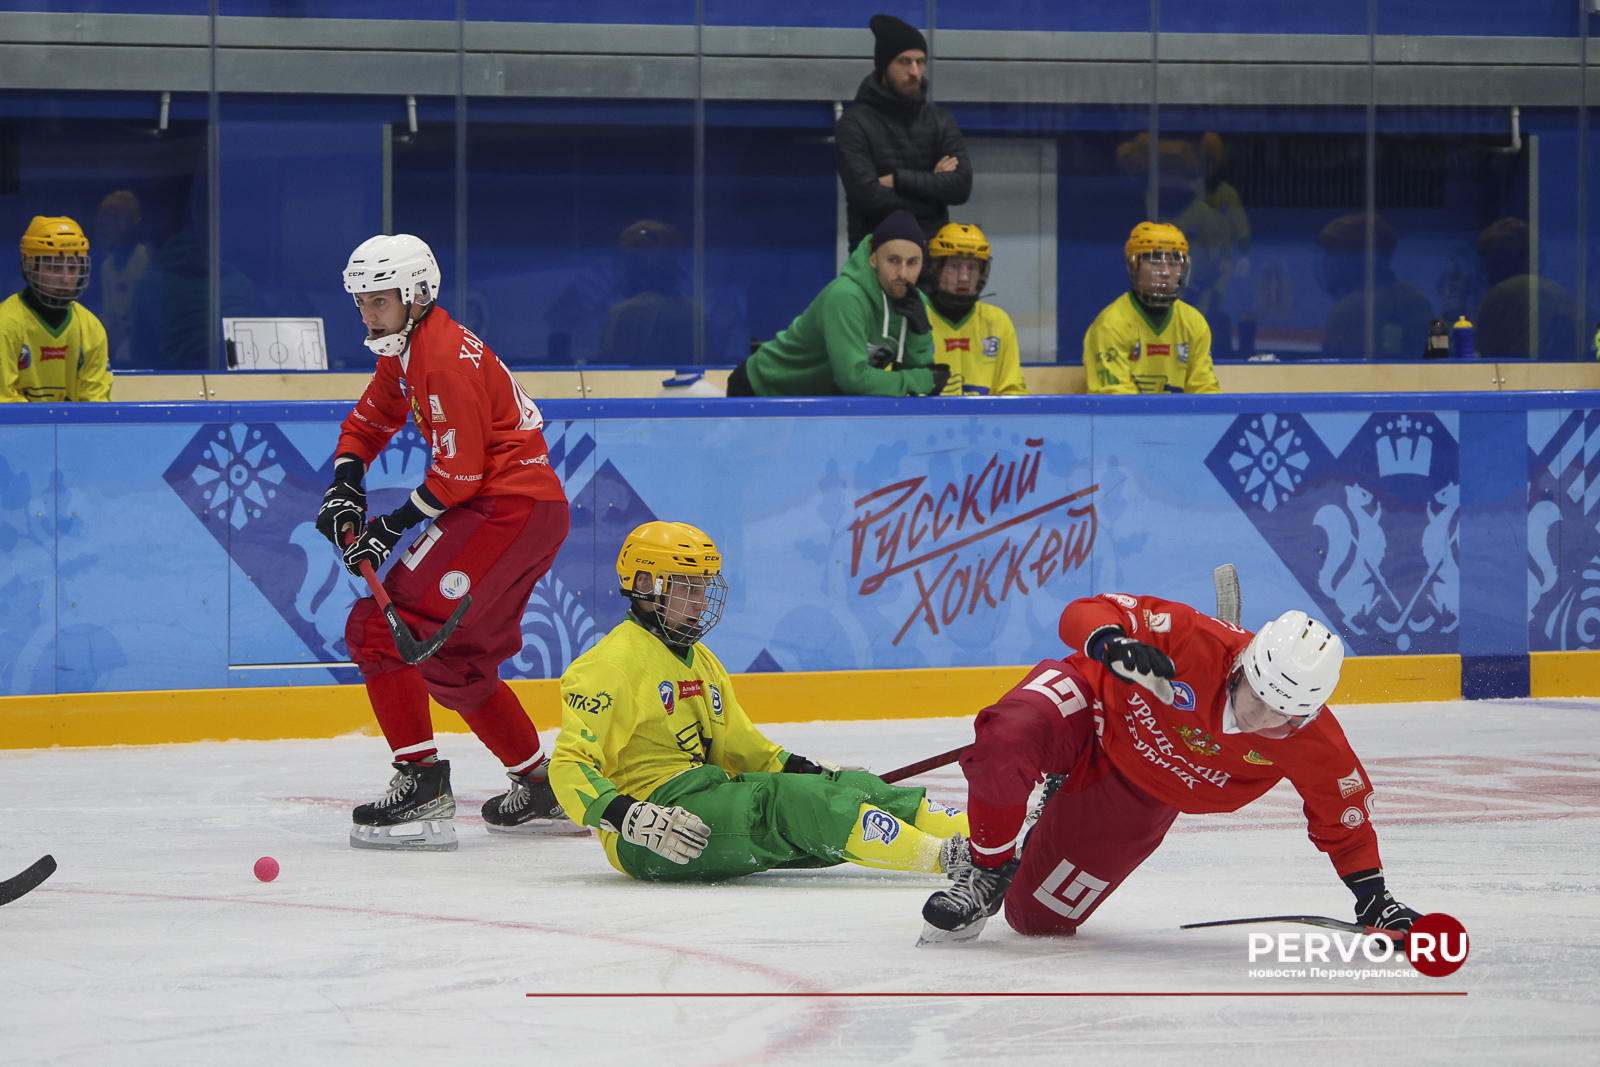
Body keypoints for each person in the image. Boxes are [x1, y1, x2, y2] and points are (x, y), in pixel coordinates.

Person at [919, 593, 1425, 944]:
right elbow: (1082, 612)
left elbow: (1345, 818)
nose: (1263, 721)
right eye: (1260, 700)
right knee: (1005, 740)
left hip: (1140, 789)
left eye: (1285, 718)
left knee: (1035, 919)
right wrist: (1110, 645)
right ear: (1242, 666)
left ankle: (1034, 836)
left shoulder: (1316, 744)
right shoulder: (1191, 639)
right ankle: (985, 870)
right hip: (1095, 702)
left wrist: (1374, 900)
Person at [314, 233, 573, 851]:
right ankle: (537, 785)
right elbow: (372, 417)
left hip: (502, 509)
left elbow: (458, 477)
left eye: (381, 300)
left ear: (417, 294)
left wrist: (388, 528)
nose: (369, 314)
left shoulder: (441, 359)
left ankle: (422, 780)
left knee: (380, 630)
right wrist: (347, 482)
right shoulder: (410, 348)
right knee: (456, 661)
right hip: (527, 511)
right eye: (361, 301)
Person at [549, 520, 972, 881]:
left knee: (849, 788)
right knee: (789, 804)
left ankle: (988, 838)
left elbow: (742, 748)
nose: (701, 603)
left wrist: (812, 771)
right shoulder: (611, 665)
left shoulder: (701, 662)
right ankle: (953, 860)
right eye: (688, 589)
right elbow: (570, 765)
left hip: (708, 794)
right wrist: (628, 816)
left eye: (704, 588)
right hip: (654, 828)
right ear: (645, 586)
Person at [728, 210, 948, 398]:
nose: (903, 273)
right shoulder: (846, 296)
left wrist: (920, 331)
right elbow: (852, 379)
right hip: (762, 388)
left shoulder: (914, 301)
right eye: (893, 260)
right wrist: (921, 380)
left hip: (815, 402)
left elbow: (918, 381)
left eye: (912, 263)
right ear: (873, 259)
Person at [835, 14, 972, 250]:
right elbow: (868, 197)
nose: (914, 71)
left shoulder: (939, 120)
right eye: (904, 61)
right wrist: (935, 198)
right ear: (883, 66)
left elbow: (960, 186)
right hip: (876, 262)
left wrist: (897, 180)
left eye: (920, 62)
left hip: (932, 263)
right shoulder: (854, 124)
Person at [1083, 222, 1219, 395]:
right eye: (1155, 262)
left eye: (1174, 262)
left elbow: (1204, 390)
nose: (1166, 272)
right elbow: (1114, 399)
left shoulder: (1194, 322)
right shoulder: (1110, 324)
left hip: (1180, 421)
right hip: (1128, 421)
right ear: (1134, 266)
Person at [0, 216, 112, 403]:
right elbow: (3, 401)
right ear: (29, 266)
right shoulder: (5, 323)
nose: (66, 278)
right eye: (54, 267)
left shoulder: (91, 328)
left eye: (73, 267)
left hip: (72, 432)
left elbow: (96, 403)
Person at [923, 223, 1027, 396]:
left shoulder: (997, 321)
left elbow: (1013, 391)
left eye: (972, 268)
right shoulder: (915, 316)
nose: (964, 277)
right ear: (937, 269)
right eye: (954, 266)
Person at [1317, 214, 1434, 359]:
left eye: (1331, 253)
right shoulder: (1413, 297)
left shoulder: (1349, 310)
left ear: (1354, 259)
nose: (1324, 262)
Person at [1474, 217, 1576, 360]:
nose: (1485, 268)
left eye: (1488, 258)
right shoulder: (1559, 292)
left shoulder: (1502, 293)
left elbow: (1485, 352)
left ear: (1502, 259)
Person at [94, 190, 150, 367]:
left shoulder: (145, 257)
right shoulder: (107, 266)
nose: (105, 223)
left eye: (113, 217)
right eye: (104, 217)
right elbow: (109, 318)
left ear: (131, 221)